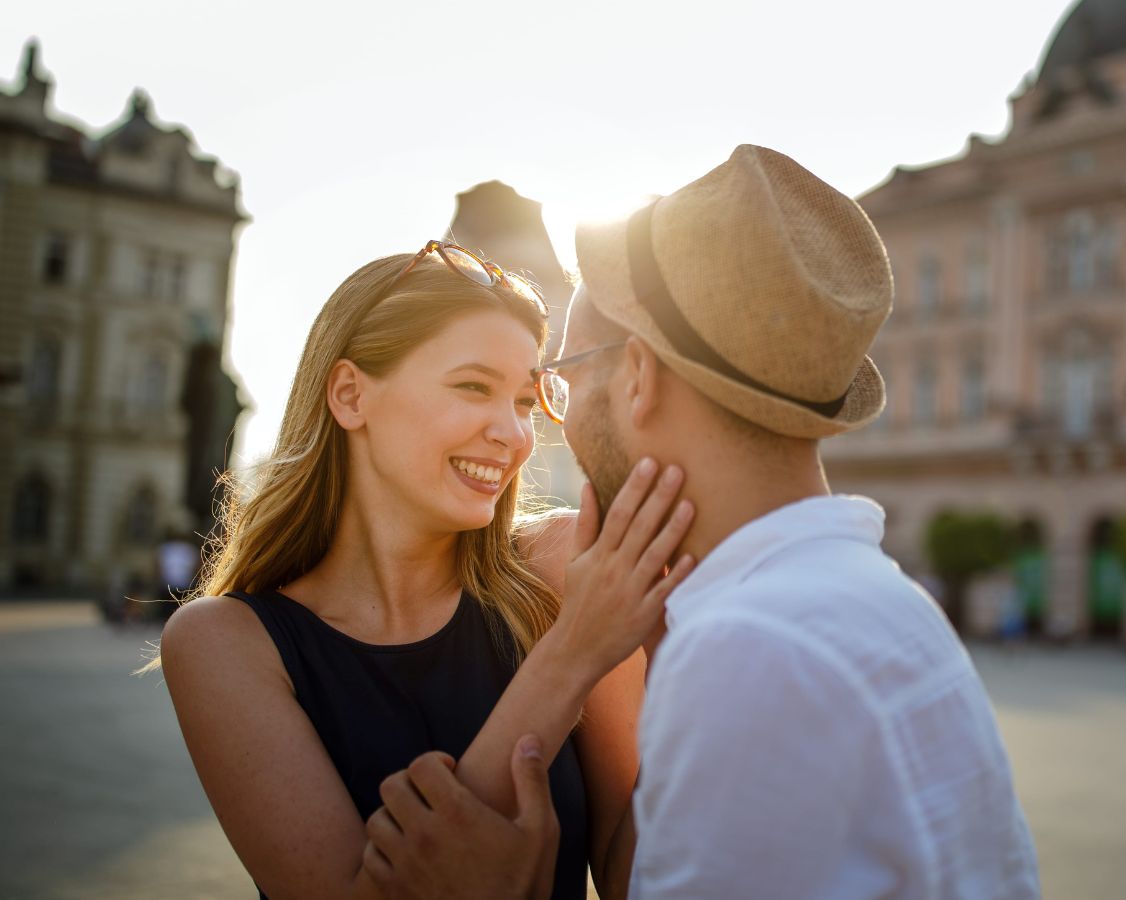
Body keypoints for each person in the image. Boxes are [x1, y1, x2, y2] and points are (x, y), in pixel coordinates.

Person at [376, 145, 1041, 898]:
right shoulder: (874, 600)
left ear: (638, 378)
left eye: (564, 376)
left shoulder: (753, 648)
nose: (542, 423)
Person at [155, 242, 693, 899]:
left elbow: (629, 875)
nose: (513, 434)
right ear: (351, 395)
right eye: (473, 387)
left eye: (526, 402)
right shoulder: (223, 643)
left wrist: (677, 678)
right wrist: (574, 653)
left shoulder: (559, 573)